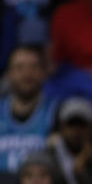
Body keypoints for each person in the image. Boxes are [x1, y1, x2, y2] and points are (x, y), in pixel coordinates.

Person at [0, 45, 58, 173]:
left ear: (43, 72)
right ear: (9, 74)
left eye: (33, 67)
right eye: (19, 67)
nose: (27, 74)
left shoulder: (57, 112)